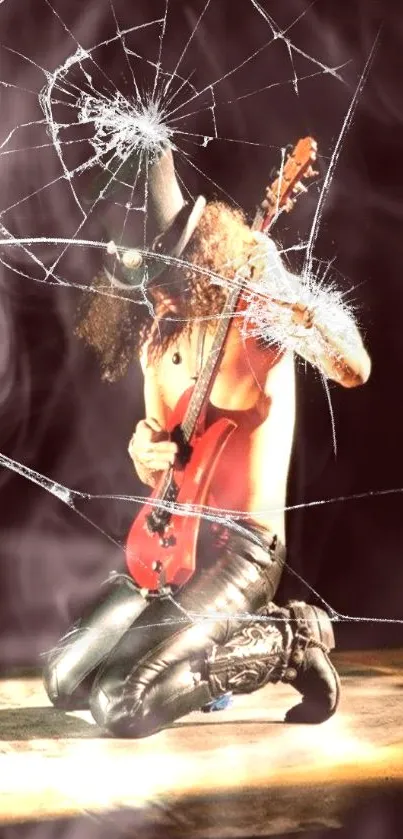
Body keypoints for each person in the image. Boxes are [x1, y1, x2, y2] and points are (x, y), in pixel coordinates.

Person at [43, 145, 371, 737]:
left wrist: (300, 303)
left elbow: (354, 369)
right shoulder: (153, 336)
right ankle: (195, 645)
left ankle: (290, 639)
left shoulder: (256, 318)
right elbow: (164, 466)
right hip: (173, 548)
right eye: (139, 279)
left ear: (195, 254)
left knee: (122, 705)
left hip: (242, 550)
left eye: (163, 272)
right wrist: (144, 450)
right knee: (65, 683)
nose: (155, 295)